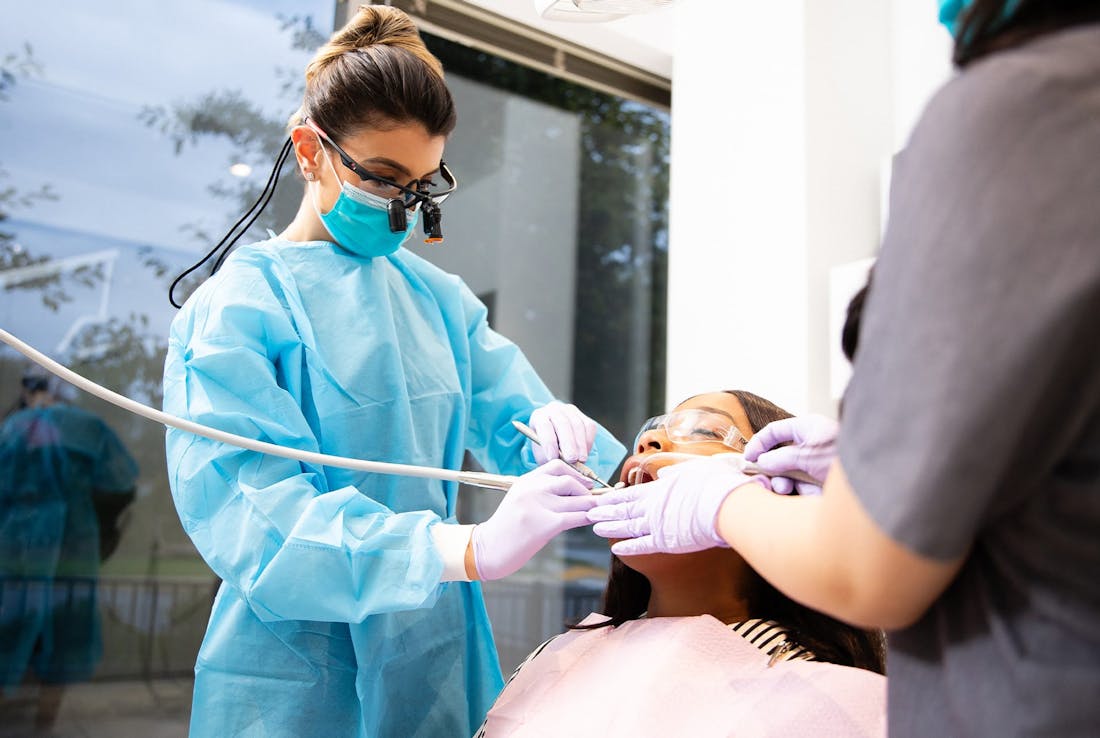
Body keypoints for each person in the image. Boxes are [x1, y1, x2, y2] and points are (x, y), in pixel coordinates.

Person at [589, 1, 1100, 734]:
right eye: (654, 429)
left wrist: (727, 506)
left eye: (699, 432)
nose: (649, 443)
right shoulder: (569, 656)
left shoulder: (1025, 109)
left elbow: (874, 569)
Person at [161, 5, 625, 737]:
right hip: (294, 675)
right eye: (383, 178)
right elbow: (258, 521)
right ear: (309, 150)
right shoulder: (236, 309)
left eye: (421, 186)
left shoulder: (439, 301)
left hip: (434, 654)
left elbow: (525, 429)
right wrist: (465, 549)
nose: (404, 206)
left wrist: (582, 454)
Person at [477, 390, 886, 737]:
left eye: (703, 431)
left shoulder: (827, 698)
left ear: (782, 487)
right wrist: (468, 550)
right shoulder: (558, 657)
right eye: (646, 434)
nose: (647, 442)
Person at [0, 371, 138, 732]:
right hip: (72, 546)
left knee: (9, 629)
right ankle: (44, 724)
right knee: (64, 639)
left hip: (16, 547)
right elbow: (121, 482)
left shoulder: (12, 429)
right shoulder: (87, 428)